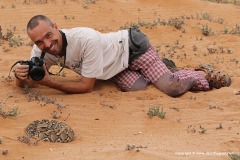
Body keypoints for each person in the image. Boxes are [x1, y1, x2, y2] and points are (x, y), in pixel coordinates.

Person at [14, 15, 231, 97]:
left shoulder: (85, 38)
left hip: (132, 48)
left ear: (56, 27)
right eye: (39, 42)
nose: (47, 44)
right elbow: (30, 81)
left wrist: (50, 81)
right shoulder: (41, 51)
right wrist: (19, 75)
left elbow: (86, 87)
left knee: (170, 88)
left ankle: (201, 73)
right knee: (138, 87)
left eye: (49, 36)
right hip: (114, 68)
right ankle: (164, 67)